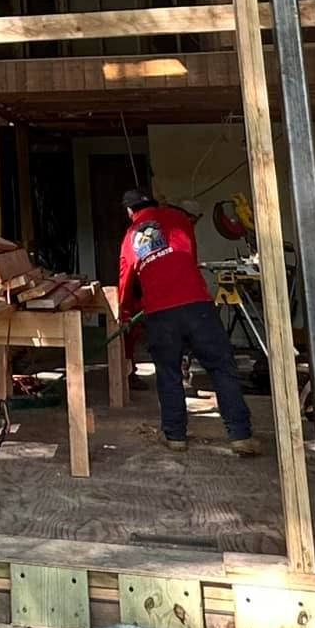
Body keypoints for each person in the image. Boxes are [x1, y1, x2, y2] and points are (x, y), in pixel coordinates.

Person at [116, 188, 259, 454]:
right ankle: (240, 435)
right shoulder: (178, 219)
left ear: (129, 212)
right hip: (196, 306)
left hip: (160, 313)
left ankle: (175, 437)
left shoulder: (129, 238)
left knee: (168, 374)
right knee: (221, 367)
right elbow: (189, 257)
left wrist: (124, 315)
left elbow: (125, 283)